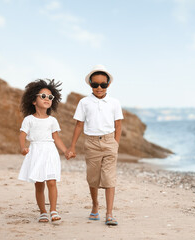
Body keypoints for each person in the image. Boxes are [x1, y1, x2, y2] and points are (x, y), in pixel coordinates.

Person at [67, 65, 123, 226]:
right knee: (93, 178)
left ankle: (110, 213)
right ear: (90, 84)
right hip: (91, 143)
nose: (99, 88)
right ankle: (95, 205)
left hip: (109, 142)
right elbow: (78, 125)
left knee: (109, 178)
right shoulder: (84, 102)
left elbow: (118, 125)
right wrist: (72, 147)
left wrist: (115, 144)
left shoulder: (114, 103)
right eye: (95, 84)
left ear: (108, 85)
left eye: (103, 85)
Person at [18, 79, 69, 223]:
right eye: (43, 96)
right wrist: (22, 148)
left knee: (52, 182)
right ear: (33, 101)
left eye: (50, 97)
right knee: (39, 184)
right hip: (36, 151)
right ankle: (43, 212)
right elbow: (22, 135)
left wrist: (65, 151)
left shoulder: (52, 120)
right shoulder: (29, 120)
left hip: (50, 152)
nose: (47, 99)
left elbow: (56, 138)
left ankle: (53, 210)